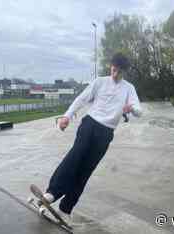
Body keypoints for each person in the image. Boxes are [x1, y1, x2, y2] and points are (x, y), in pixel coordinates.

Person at [42, 53, 142, 225]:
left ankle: (65, 209)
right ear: (111, 66)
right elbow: (81, 98)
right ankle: (52, 193)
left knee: (85, 170)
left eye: (119, 72)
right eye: (113, 70)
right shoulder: (100, 82)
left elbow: (139, 111)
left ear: (124, 72)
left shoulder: (128, 88)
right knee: (75, 156)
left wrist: (131, 107)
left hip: (106, 133)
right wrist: (67, 116)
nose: (115, 74)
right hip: (90, 124)